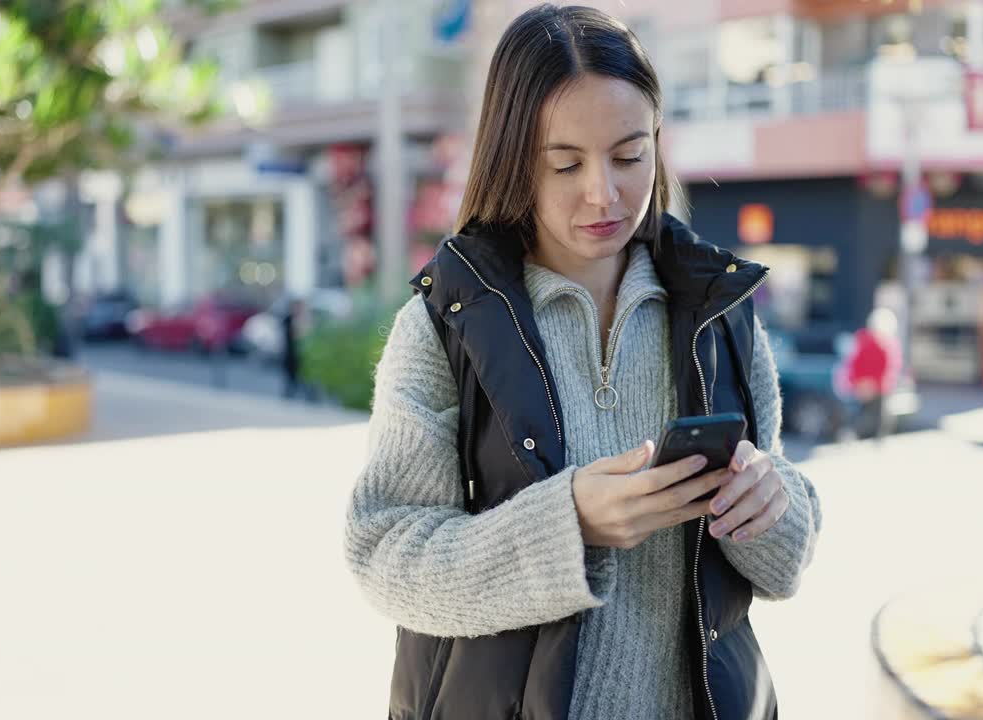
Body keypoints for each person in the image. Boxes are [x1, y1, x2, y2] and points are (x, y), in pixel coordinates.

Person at [344, 6, 821, 719]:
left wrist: (772, 505)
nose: (604, 193)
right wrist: (566, 524)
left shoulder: (720, 309)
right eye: (564, 164)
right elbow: (383, 553)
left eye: (630, 156)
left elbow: (782, 556)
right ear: (512, 160)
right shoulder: (445, 325)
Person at [841, 308, 902, 441]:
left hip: (880, 387)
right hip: (867, 386)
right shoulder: (865, 341)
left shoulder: (889, 344)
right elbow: (855, 363)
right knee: (865, 416)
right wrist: (859, 382)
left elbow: (892, 366)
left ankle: (874, 441)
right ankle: (853, 434)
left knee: (880, 417)